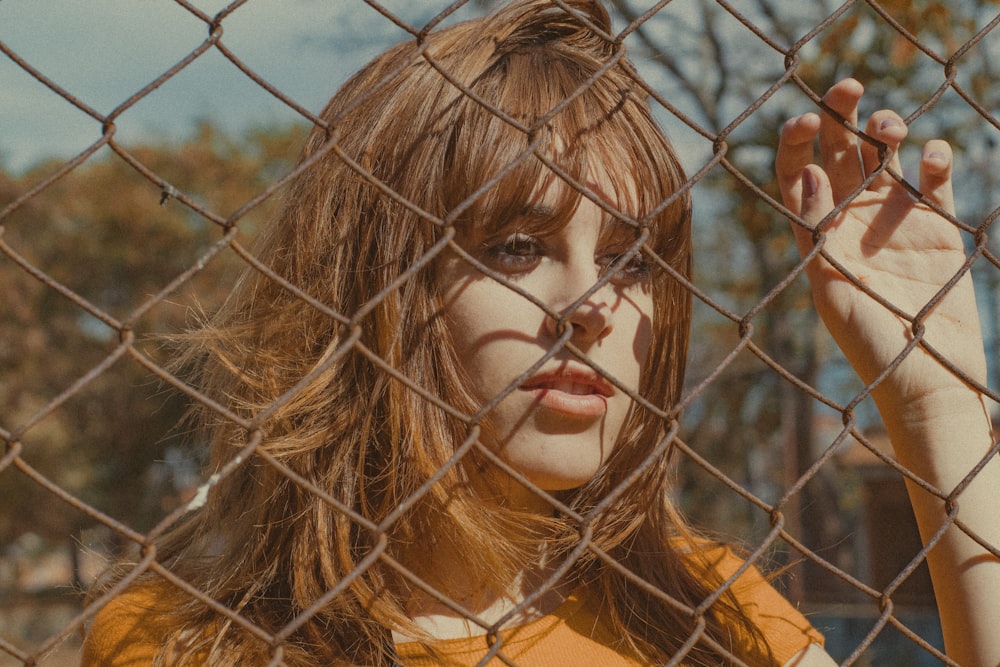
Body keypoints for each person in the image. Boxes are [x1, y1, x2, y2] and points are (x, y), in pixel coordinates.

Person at [81, 1, 999, 665]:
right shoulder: (185, 642)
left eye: (632, 259)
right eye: (518, 246)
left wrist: (936, 404)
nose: (592, 302)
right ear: (374, 286)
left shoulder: (714, 612)